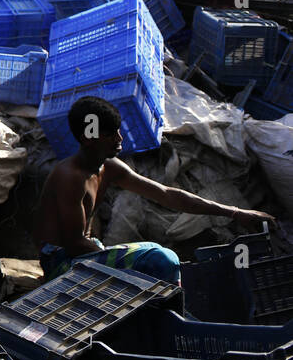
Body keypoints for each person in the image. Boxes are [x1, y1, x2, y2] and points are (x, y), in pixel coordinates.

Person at [33, 95, 275, 283]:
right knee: (160, 258)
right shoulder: (70, 177)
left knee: (151, 260)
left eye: (118, 130)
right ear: (89, 138)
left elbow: (167, 195)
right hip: (61, 262)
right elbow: (74, 245)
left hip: (85, 251)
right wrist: (114, 255)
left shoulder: (109, 167)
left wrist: (234, 212)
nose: (119, 138)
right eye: (109, 134)